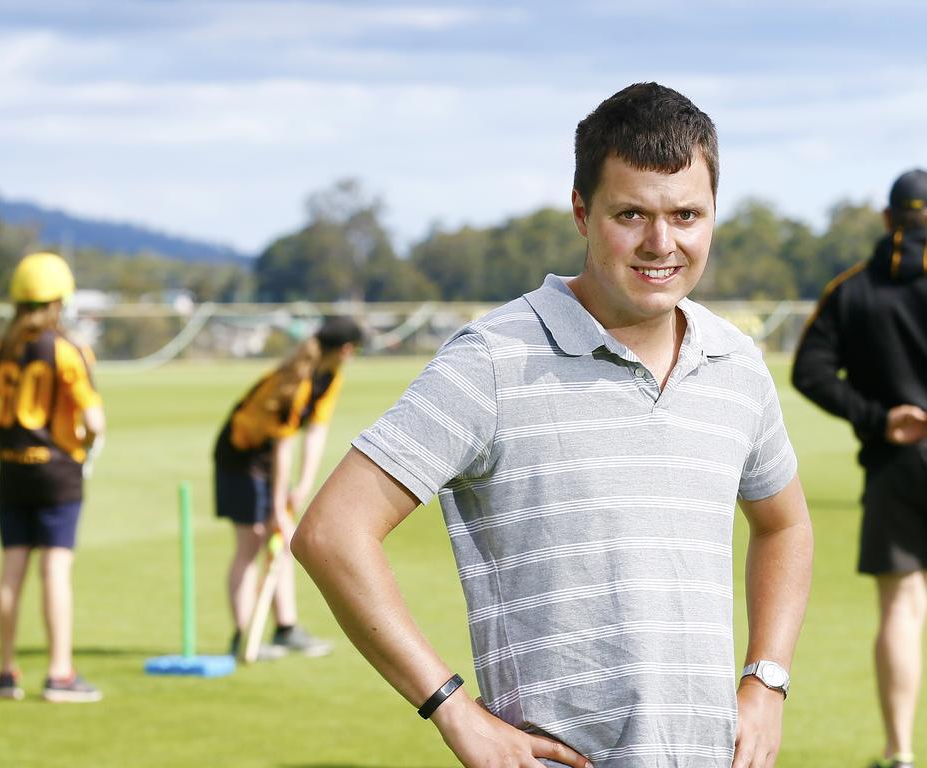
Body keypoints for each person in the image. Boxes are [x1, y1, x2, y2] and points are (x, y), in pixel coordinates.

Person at [293, 82, 814, 768]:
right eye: (632, 214)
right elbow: (332, 532)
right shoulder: (494, 360)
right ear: (581, 213)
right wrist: (450, 707)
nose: (662, 243)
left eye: (687, 214)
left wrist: (767, 680)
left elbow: (785, 525)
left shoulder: (736, 363)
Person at [792, 169, 927, 768]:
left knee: (901, 609)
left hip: (896, 466)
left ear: (885, 218)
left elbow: (810, 371)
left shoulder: (853, 290)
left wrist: (877, 418)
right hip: (895, 463)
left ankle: (900, 752)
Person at [0, 251, 105, 703]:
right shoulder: (68, 349)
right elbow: (95, 421)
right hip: (59, 470)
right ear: (59, 300)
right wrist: (85, 447)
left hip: (11, 469)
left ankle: (6, 674)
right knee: (55, 569)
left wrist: (0, 438)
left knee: (12, 568)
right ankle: (59, 674)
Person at [215, 316, 363, 660]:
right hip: (241, 458)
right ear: (344, 349)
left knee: (280, 544)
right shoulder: (296, 380)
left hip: (268, 457)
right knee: (251, 543)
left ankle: (285, 629)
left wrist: (304, 485)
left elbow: (315, 431)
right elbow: (282, 448)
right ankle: (243, 637)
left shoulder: (330, 377)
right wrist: (280, 504)